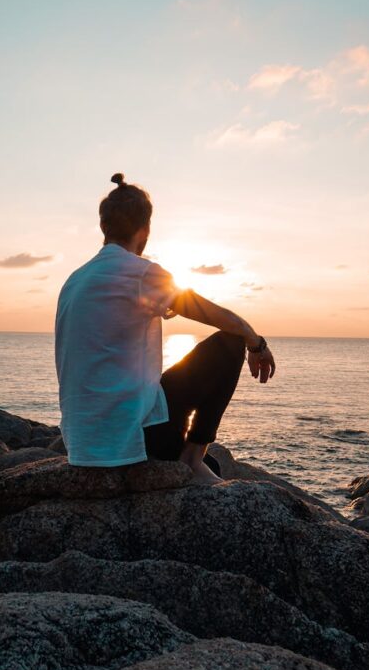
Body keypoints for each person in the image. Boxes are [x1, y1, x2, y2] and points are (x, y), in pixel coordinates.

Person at [54, 173, 276, 484]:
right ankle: (192, 458)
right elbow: (219, 317)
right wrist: (255, 341)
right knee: (229, 342)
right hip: (130, 438)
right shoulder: (141, 273)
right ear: (145, 229)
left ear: (104, 227)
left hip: (82, 444)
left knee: (215, 460)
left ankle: (194, 459)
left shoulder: (74, 280)